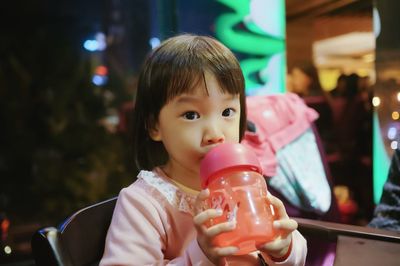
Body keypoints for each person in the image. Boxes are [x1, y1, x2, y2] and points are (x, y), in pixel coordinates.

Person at [100, 34, 307, 265]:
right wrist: (202, 255)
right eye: (191, 115)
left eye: (227, 112)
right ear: (154, 126)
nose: (215, 134)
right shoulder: (144, 203)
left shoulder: (243, 184)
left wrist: (284, 249)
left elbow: (291, 254)